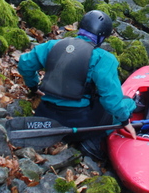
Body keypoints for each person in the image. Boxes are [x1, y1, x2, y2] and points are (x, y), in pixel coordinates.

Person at [18, 10, 136, 158]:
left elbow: (24, 63)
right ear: (102, 37)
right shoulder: (104, 59)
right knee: (128, 103)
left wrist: (34, 86)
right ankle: (93, 142)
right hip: (80, 123)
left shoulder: (52, 46)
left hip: (46, 116)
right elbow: (111, 99)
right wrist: (125, 121)